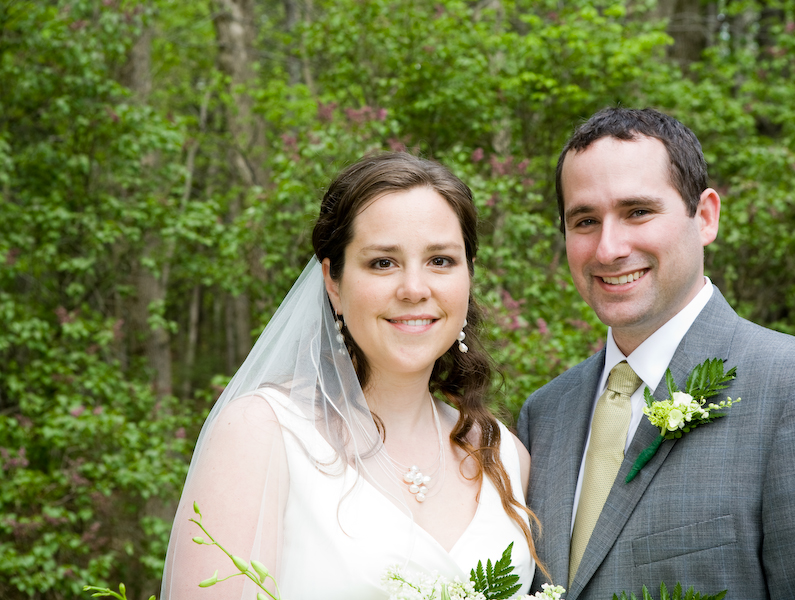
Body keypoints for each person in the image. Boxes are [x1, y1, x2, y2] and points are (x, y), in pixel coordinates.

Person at [517, 107, 795, 600]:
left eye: (638, 211)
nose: (609, 248)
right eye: (585, 220)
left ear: (705, 217)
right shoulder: (544, 414)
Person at [160, 152, 537, 599]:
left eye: (440, 260)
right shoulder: (263, 435)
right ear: (333, 282)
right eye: (383, 262)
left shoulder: (506, 455)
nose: (414, 288)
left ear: (468, 277)